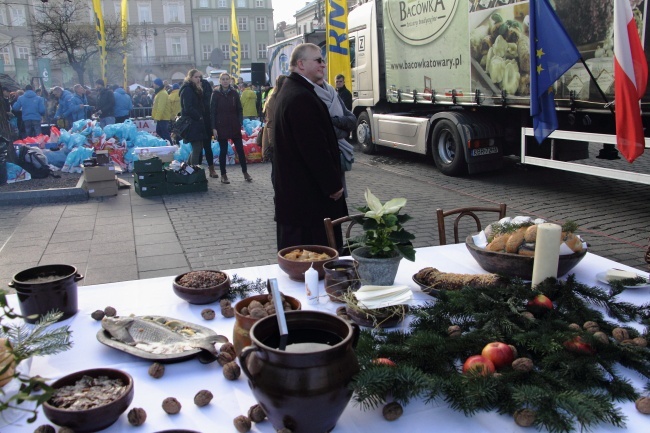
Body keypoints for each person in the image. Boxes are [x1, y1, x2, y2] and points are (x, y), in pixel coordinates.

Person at [272, 43, 347, 250]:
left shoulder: (295, 90)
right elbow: (314, 149)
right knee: (312, 262)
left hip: (299, 200)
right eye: (319, 60)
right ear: (301, 64)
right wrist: (332, 185)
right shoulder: (300, 97)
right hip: (307, 204)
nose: (323, 65)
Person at [314, 80, 356, 197]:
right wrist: (343, 129)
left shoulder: (331, 92)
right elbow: (321, 127)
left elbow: (352, 120)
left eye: (322, 61)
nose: (322, 65)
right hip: (322, 156)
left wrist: (333, 121)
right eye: (318, 61)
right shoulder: (308, 95)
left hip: (337, 153)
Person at [210, 72, 252, 184]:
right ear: (220, 81)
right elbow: (212, 112)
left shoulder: (234, 93)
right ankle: (223, 175)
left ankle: (245, 172)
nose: (225, 81)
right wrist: (213, 127)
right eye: (223, 79)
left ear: (230, 80)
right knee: (223, 151)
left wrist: (240, 122)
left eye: (227, 79)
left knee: (240, 150)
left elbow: (239, 109)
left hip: (234, 125)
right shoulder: (216, 94)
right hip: (221, 126)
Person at [261, 74, 287, 186]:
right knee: (276, 169)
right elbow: (270, 123)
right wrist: (272, 143)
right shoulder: (272, 100)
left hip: (285, 138)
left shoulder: (285, 97)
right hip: (275, 138)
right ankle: (277, 194)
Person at [179, 69, 207, 165]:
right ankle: (193, 169)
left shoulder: (194, 88)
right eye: (196, 77)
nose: (198, 79)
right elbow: (188, 107)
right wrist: (198, 116)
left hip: (196, 122)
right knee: (196, 147)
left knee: (198, 147)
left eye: (199, 77)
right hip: (192, 122)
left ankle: (189, 168)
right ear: (190, 78)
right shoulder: (187, 89)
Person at [200, 77, 218, 178]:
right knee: (197, 148)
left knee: (207, 147)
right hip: (197, 123)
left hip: (206, 123)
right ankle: (196, 169)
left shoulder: (207, 94)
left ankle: (211, 169)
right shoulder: (190, 90)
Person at [152, 78, 172, 143]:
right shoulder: (160, 93)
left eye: (154, 83)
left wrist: (157, 117)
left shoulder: (162, 93)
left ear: (157, 84)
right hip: (161, 117)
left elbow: (161, 107)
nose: (153, 85)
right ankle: (167, 143)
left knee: (164, 132)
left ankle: (170, 145)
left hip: (163, 117)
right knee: (160, 131)